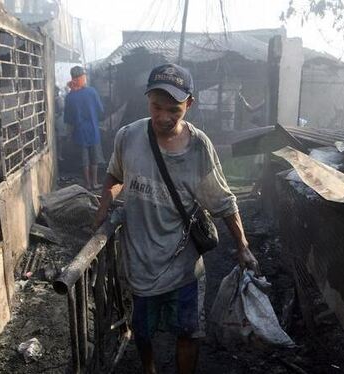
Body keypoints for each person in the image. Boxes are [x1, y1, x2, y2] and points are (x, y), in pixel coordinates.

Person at [94, 64, 260, 374]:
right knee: (142, 332)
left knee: (188, 332)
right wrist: (104, 205)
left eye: (174, 110)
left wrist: (243, 246)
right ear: (148, 100)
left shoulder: (198, 148)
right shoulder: (128, 137)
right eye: (157, 107)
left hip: (184, 269)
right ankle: (150, 370)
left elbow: (224, 201)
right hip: (140, 265)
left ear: (189, 105)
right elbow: (114, 174)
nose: (163, 117)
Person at [63, 65, 104, 189]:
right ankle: (95, 182)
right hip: (93, 129)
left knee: (84, 159)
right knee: (94, 157)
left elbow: (68, 118)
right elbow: (101, 110)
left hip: (79, 131)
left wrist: (69, 133)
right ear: (82, 77)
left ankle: (87, 184)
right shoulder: (91, 92)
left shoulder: (70, 96)